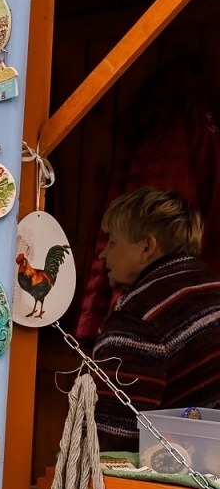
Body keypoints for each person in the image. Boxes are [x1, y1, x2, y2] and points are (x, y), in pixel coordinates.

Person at [92, 187, 220, 450]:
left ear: (147, 247)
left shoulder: (137, 318)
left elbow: (112, 442)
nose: (103, 254)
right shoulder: (213, 288)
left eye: (113, 241)